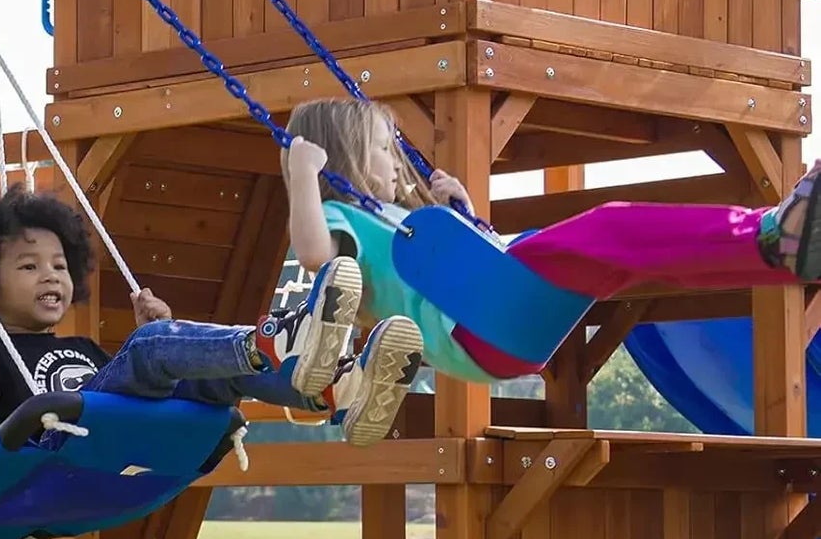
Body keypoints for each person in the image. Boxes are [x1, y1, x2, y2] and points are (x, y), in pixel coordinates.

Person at [282, 96, 821, 381]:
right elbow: (311, 254)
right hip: (479, 325)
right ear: (343, 157)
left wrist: (463, 215)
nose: (395, 158)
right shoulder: (340, 216)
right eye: (382, 147)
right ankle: (770, 236)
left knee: (628, 256)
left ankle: (782, 254)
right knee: (610, 228)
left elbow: (466, 259)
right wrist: (302, 176)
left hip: (500, 331)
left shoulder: (396, 219)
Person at [0, 186, 424, 448]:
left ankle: (335, 391)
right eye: (29, 267)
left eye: (59, 266)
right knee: (150, 347)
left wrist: (153, 339)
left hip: (129, 427)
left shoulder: (78, 349)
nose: (51, 277)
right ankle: (276, 342)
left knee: (217, 380)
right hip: (67, 448)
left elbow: (128, 381)